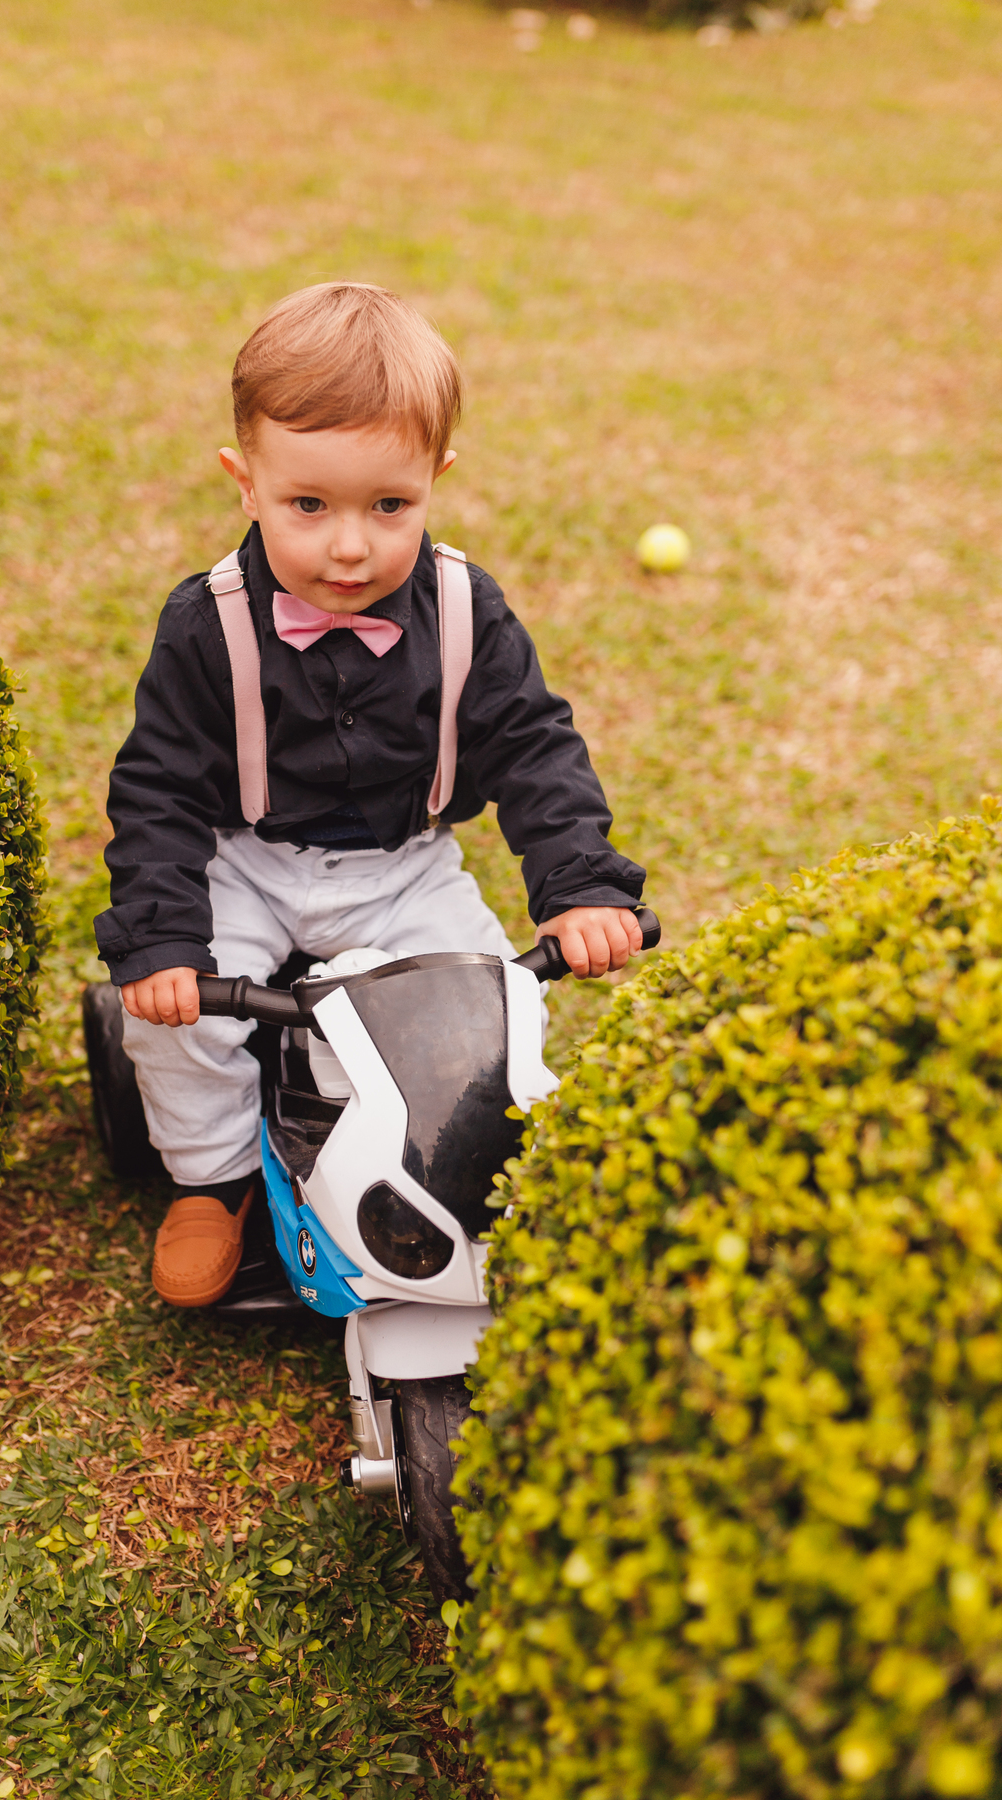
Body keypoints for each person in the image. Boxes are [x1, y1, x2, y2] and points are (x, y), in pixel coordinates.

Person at [94, 282, 646, 1308]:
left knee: (491, 1004)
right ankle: (210, 1182)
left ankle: (483, 1178)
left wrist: (581, 886)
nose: (350, 548)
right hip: (248, 862)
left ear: (436, 480)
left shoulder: (462, 607)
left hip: (406, 865)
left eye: (389, 507)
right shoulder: (206, 624)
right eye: (310, 506)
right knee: (177, 1018)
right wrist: (163, 944)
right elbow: (160, 789)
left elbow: (532, 745)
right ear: (245, 483)